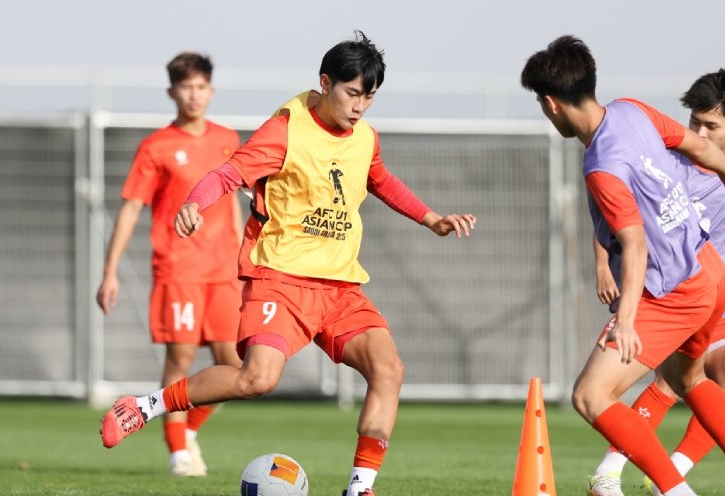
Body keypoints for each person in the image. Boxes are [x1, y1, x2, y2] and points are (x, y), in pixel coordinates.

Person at [100, 31, 476, 496]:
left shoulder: (365, 138)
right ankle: (145, 406)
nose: (359, 107)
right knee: (255, 379)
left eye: (369, 97)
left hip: (339, 288)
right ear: (325, 83)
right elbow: (228, 173)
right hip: (280, 279)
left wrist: (431, 218)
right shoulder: (285, 130)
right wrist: (195, 202)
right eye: (352, 93)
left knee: (389, 369)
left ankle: (360, 489)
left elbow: (381, 180)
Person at [520, 36, 725, 496]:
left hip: (676, 289)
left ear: (552, 103)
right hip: (711, 273)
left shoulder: (602, 166)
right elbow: (695, 146)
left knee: (591, 395)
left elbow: (634, 244)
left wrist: (627, 318)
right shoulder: (630, 110)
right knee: (686, 378)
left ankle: (673, 490)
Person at [588, 69, 725, 496]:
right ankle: (614, 472)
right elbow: (616, 214)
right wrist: (602, 265)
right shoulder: (668, 161)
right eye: (694, 122)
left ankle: (673, 474)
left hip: (721, 299)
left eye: (711, 125)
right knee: (667, 383)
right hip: (671, 291)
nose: (699, 132)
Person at [95, 52, 243, 476]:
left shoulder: (228, 139)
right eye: (185, 87)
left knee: (238, 368)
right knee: (179, 358)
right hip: (178, 269)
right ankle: (177, 450)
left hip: (223, 272)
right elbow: (130, 209)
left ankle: (189, 430)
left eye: (200, 87)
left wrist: (242, 259)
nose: (193, 95)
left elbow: (232, 205)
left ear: (210, 91)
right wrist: (110, 272)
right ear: (171, 92)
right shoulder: (156, 146)